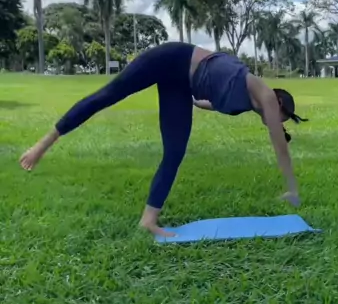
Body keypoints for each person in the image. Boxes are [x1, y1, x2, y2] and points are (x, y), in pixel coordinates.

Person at [19, 42, 308, 237]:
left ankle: (148, 219)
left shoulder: (246, 105)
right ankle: (43, 144)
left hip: (181, 85)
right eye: (285, 116)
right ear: (279, 102)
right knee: (107, 95)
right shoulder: (265, 95)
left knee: (175, 152)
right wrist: (292, 189)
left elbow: (207, 100)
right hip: (171, 58)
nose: (280, 122)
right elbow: (280, 149)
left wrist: (186, 107)